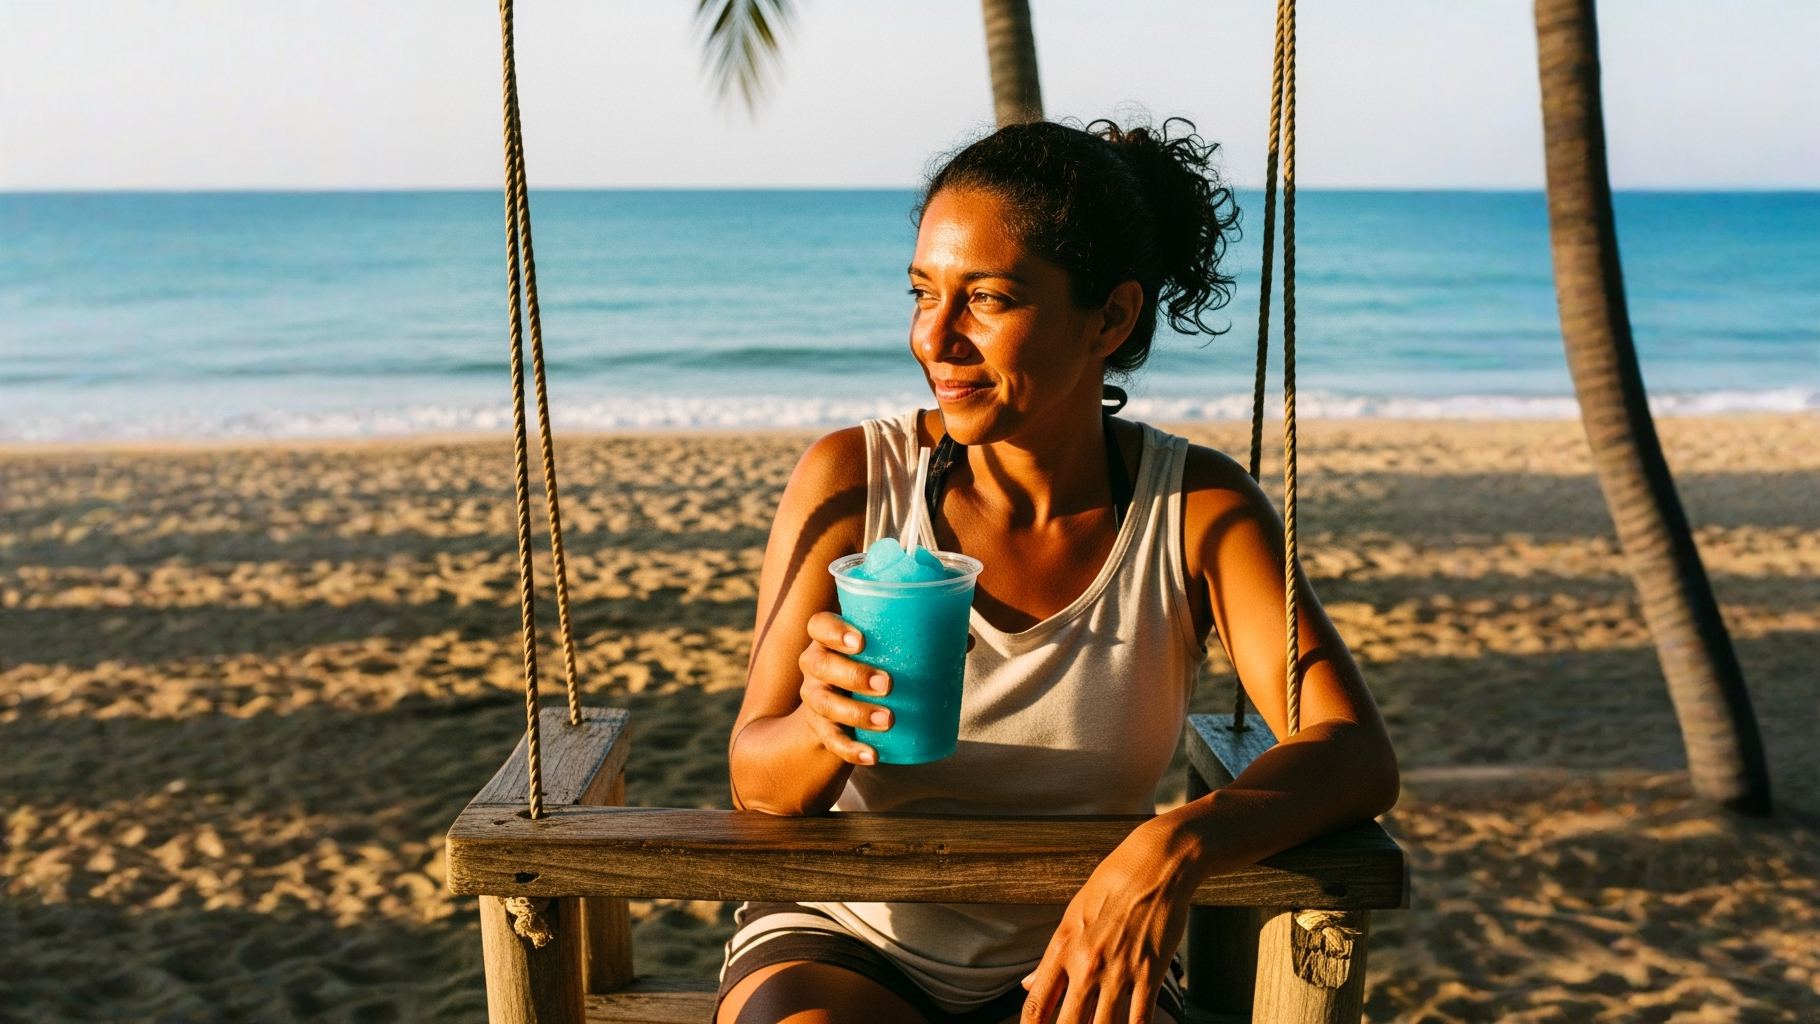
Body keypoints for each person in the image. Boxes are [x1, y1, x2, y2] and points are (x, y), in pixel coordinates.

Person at [718, 118, 1399, 1024]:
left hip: (1083, 952)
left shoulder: (1192, 508)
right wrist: (823, 723)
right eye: (924, 293)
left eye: (987, 300)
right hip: (846, 940)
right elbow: (754, 778)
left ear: (1110, 317)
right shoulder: (853, 478)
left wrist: (1171, 849)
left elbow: (1353, 752)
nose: (936, 338)